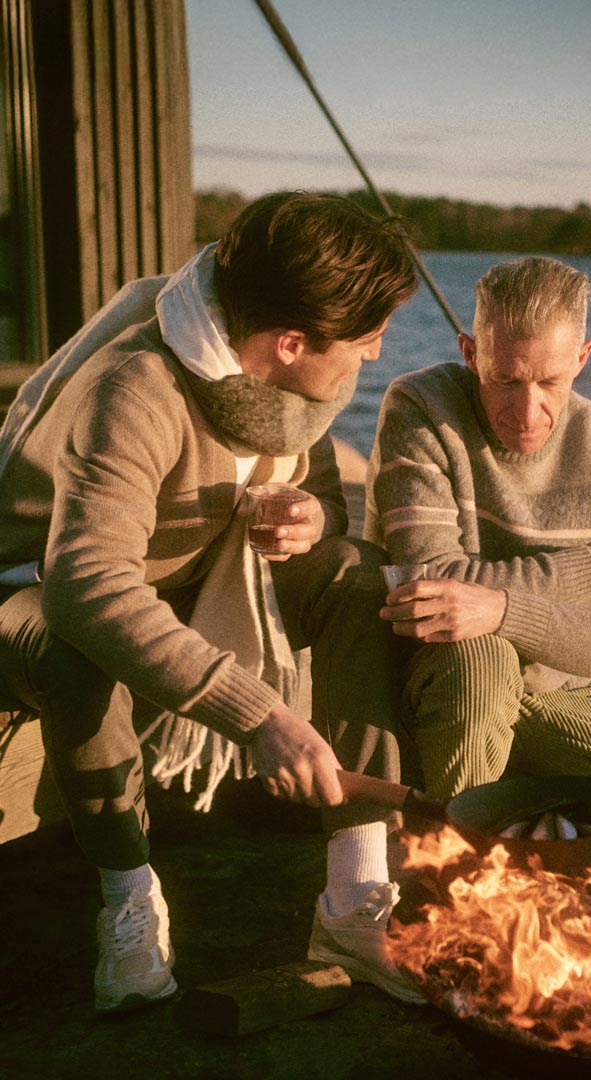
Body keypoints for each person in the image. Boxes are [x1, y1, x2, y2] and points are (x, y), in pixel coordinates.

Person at [0, 192, 424, 1011]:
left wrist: (311, 518)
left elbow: (328, 504)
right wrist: (260, 716)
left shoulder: (286, 386)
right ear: (290, 343)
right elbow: (84, 585)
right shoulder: (138, 385)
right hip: (26, 589)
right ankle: (127, 896)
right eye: (367, 337)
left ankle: (354, 897)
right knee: (73, 645)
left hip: (189, 577)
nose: (376, 353)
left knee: (355, 575)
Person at [365, 255, 591, 877]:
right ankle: (460, 890)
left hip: (566, 699)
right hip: (447, 685)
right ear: (471, 352)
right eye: (505, 380)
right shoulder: (422, 407)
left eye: (550, 382)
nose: (527, 411)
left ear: (583, 357)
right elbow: (431, 588)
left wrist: (498, 606)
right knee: (479, 655)